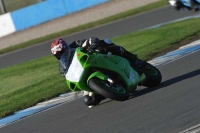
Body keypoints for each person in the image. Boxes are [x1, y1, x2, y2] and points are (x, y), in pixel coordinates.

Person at [51, 37, 148, 107]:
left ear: (66, 46)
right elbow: (69, 76)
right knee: (89, 101)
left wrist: (92, 44)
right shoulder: (62, 67)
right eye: (58, 54)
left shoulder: (76, 44)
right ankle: (106, 90)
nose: (61, 55)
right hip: (85, 72)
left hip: (96, 58)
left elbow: (92, 40)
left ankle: (135, 60)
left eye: (61, 51)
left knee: (106, 44)